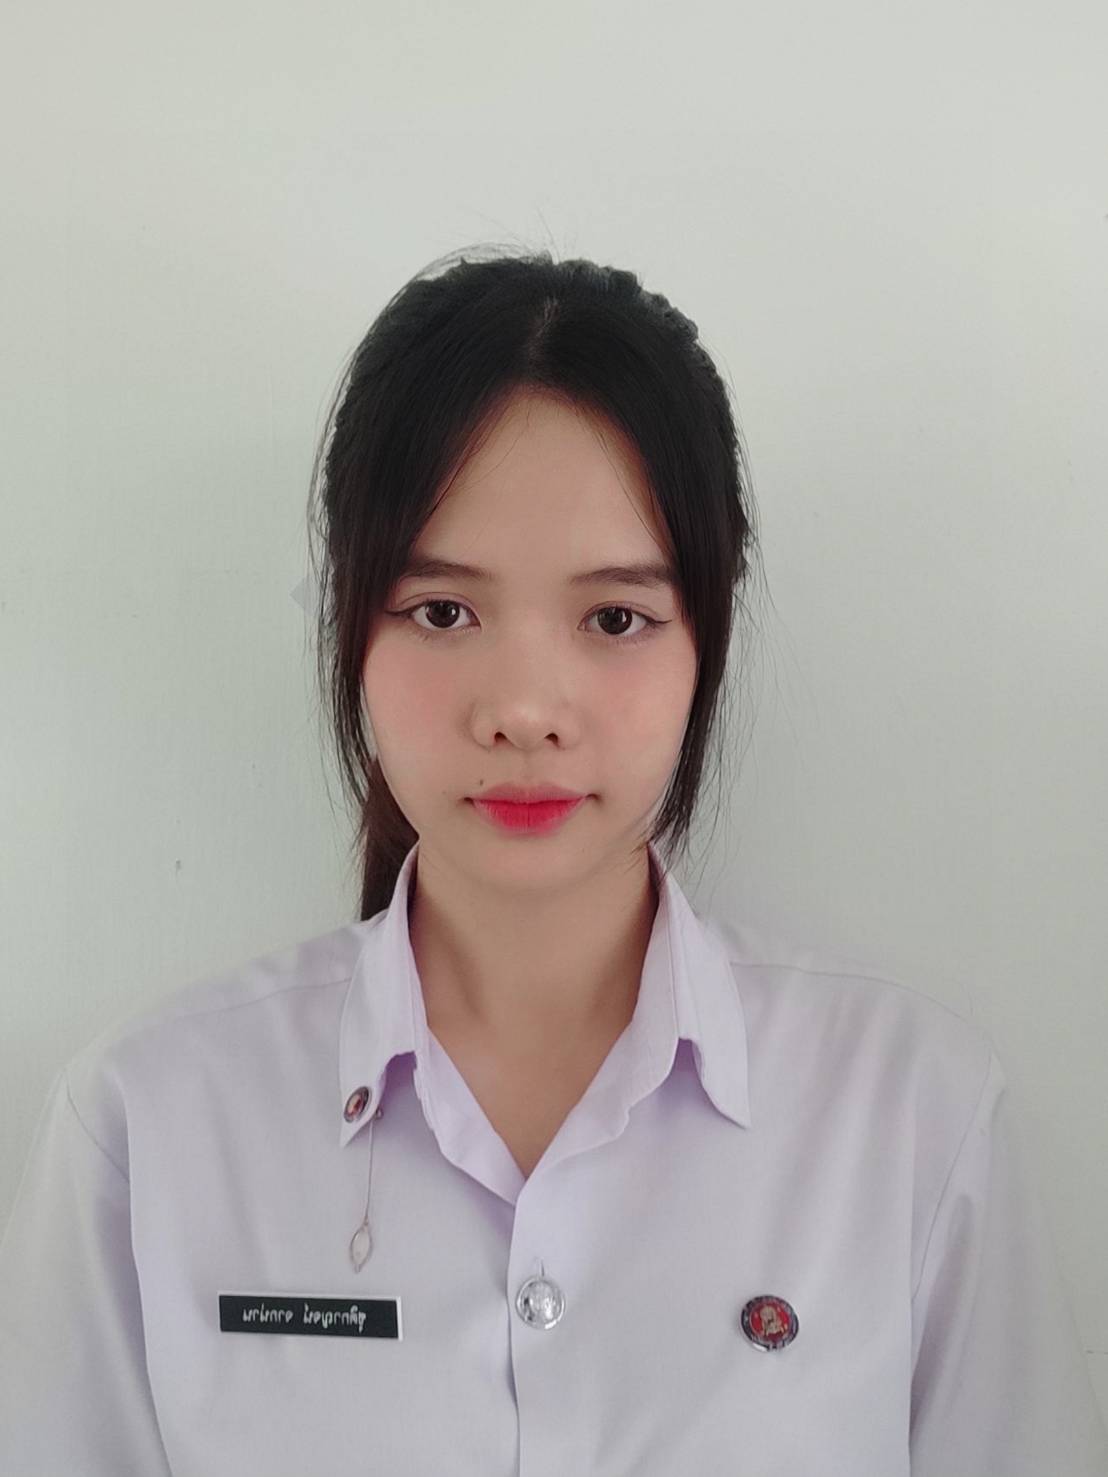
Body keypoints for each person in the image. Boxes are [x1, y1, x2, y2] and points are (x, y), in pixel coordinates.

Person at [1, 247, 1105, 1475]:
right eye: (441, 611)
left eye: (615, 617)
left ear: (705, 635)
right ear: (349, 620)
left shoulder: (909, 1114)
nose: (524, 708)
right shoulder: (148, 1128)